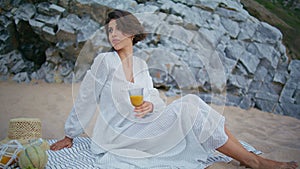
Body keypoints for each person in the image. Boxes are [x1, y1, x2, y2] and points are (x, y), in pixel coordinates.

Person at [50, 9, 298, 169]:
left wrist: (149, 105)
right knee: (189, 107)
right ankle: (255, 161)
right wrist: (70, 134)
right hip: (118, 138)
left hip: (142, 126)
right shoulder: (105, 62)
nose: (113, 35)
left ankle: (244, 157)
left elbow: (153, 99)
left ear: (132, 33)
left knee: (193, 103)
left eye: (118, 29)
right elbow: (86, 98)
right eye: (110, 31)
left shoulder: (141, 65)